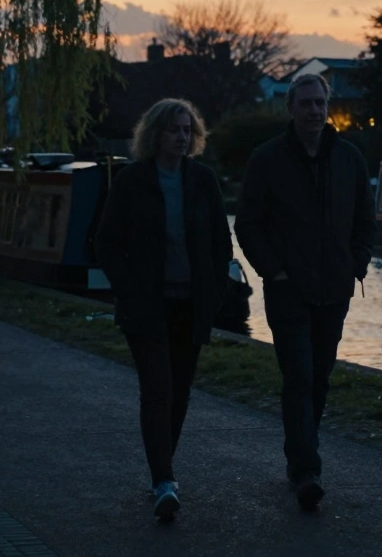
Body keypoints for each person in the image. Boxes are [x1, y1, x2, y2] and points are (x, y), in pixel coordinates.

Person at [234, 73, 376, 511]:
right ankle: (306, 469)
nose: (314, 111)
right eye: (306, 104)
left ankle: (300, 455)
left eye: (320, 103)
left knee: (319, 376)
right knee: (298, 375)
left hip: (335, 288)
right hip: (288, 289)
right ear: (291, 109)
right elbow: (248, 223)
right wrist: (273, 271)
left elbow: (365, 219)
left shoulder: (349, 158)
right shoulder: (267, 159)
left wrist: (356, 264)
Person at [94, 98, 233, 520]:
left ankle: (161, 469)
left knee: (180, 392)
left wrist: (215, 291)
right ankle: (164, 480)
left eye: (187, 130)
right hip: (147, 307)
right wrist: (128, 290)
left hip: (191, 304)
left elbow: (220, 242)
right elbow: (106, 242)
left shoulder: (202, 180)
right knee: (158, 390)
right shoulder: (132, 181)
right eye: (174, 130)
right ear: (155, 134)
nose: (182, 137)